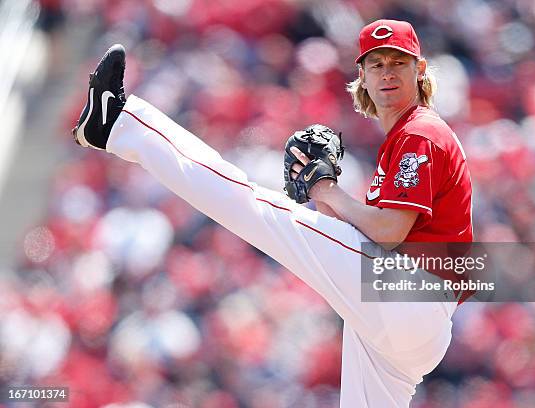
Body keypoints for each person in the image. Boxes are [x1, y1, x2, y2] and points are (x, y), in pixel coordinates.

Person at [72, 18, 472, 407]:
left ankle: (118, 124)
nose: (387, 73)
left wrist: (328, 189)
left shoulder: (422, 131)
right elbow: (368, 240)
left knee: (249, 204)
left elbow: (388, 233)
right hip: (409, 321)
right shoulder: (406, 135)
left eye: (398, 63)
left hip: (409, 293)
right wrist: (325, 200)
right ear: (362, 75)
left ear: (419, 70)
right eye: (377, 64)